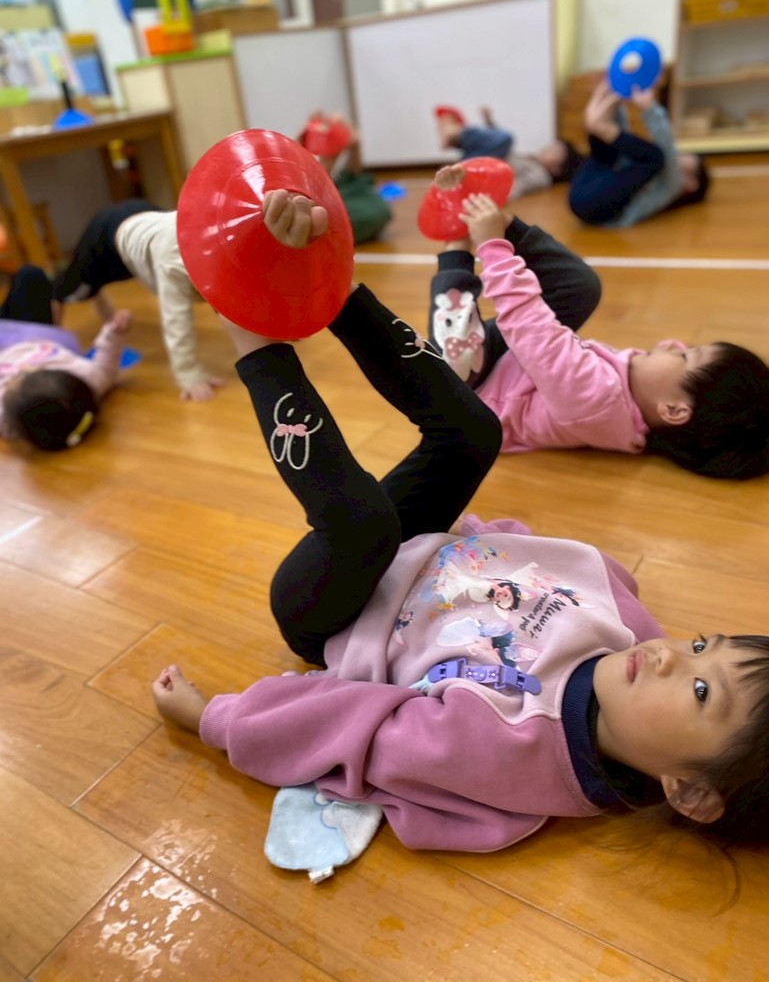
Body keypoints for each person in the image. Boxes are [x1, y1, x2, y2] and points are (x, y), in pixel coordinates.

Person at [153, 189, 769, 856]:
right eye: (701, 645)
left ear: (690, 792)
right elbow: (582, 570)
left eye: (701, 690)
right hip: (422, 556)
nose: (674, 654)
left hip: (337, 611)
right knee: (475, 432)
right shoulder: (634, 639)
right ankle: (331, 285)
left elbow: (346, 724)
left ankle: (247, 325)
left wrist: (215, 719)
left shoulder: (504, 753)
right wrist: (483, 543)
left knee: (360, 522)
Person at [423, 164, 769, 479]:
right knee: (581, 287)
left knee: (458, 360)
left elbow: (535, 333)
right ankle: (499, 220)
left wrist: (492, 247)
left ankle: (457, 243)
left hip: (473, 393)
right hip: (510, 364)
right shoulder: (637, 398)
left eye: (684, 356)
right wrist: (501, 230)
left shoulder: (598, 402)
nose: (671, 344)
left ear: (674, 410)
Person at [51, 198, 223, 402]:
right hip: (106, 232)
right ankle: (48, 334)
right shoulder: (174, 260)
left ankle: (100, 304)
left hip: (145, 217)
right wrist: (189, 374)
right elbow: (176, 318)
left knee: (96, 284)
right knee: (71, 290)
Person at [1, 264, 132, 450]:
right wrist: (115, 333)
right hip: (35, 331)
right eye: (27, 374)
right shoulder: (85, 380)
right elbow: (105, 367)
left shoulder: (6, 417)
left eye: (10, 385)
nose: (22, 369)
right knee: (30, 275)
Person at [568, 79, 709, 227]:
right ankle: (601, 110)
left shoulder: (670, 188)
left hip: (593, 206)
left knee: (656, 156)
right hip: (587, 187)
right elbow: (622, 143)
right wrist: (619, 102)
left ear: (691, 185)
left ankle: (597, 119)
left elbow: (666, 148)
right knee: (618, 151)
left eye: (685, 163)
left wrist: (650, 109)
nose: (678, 157)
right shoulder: (645, 177)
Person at [434, 104, 584, 198]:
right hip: (481, 160)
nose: (549, 147)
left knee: (506, 138)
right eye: (553, 145)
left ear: (558, 169)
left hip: (483, 171)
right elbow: (494, 143)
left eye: (556, 151)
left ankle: (455, 133)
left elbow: (516, 188)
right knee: (500, 139)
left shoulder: (541, 176)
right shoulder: (531, 159)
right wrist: (489, 120)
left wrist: (487, 197)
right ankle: (454, 133)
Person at [298, 111, 393, 245]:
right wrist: (329, 156)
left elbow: (354, 174)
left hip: (345, 202)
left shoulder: (350, 186)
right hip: (328, 208)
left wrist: (353, 145)